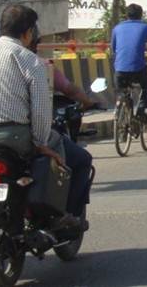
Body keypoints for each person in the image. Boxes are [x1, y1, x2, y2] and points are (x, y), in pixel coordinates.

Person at [0, 5, 86, 231]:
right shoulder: (31, 61)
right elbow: (40, 112)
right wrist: (41, 144)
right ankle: (62, 216)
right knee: (73, 155)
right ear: (28, 33)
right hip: (12, 137)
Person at [26, 26, 96, 224]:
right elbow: (69, 90)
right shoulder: (39, 65)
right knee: (80, 160)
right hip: (22, 137)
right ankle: (68, 216)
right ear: (29, 37)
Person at [111, 4, 147, 121]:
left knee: (120, 90)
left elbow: (113, 49)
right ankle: (141, 109)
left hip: (119, 69)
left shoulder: (117, 28)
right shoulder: (146, 27)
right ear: (141, 15)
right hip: (138, 70)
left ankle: (120, 102)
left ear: (126, 15)